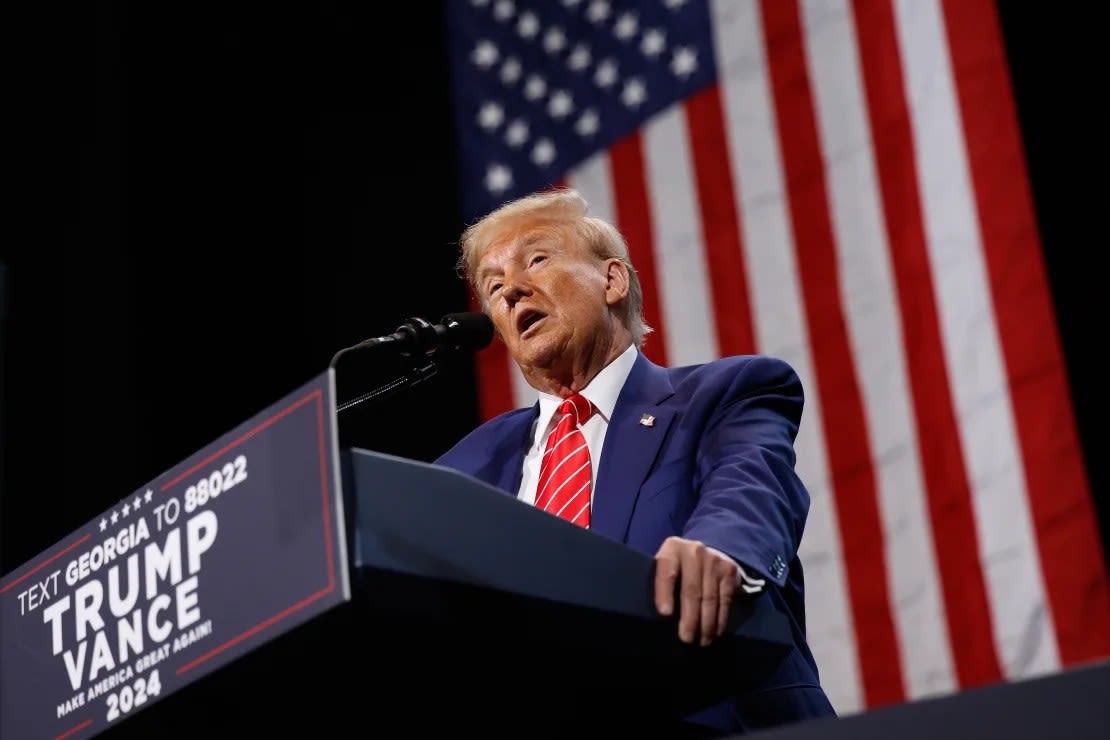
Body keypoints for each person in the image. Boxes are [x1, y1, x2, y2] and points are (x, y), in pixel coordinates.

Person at [434, 186, 836, 736]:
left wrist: (721, 549)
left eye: (536, 259)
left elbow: (750, 487)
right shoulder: (463, 469)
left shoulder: (722, 395)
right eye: (492, 285)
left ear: (612, 280)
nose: (510, 290)